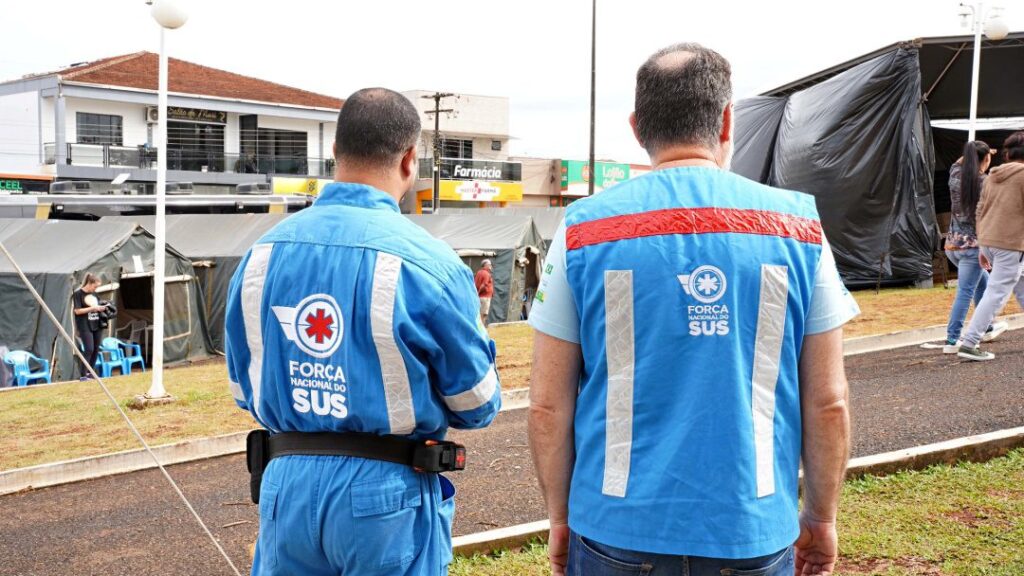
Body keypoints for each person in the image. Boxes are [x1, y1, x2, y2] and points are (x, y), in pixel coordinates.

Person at [528, 43, 860, 576]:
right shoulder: (798, 227)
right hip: (752, 532)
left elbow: (547, 404)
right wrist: (821, 516)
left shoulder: (583, 229)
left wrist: (560, 516)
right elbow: (829, 401)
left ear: (637, 127)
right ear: (728, 120)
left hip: (613, 531)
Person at [225, 88, 501, 575]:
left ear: (334, 152)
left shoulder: (259, 257)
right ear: (410, 159)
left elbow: (245, 389)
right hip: (387, 495)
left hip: (283, 484)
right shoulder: (429, 264)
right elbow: (476, 404)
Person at [958, 131, 1024, 361]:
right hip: (1011, 244)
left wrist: (983, 245)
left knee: (1021, 286)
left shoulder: (992, 176)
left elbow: (979, 211)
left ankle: (969, 340)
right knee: (996, 294)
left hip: (990, 242)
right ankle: (970, 342)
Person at [939, 141, 1006, 353]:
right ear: (984, 160)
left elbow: (960, 161)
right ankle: (952, 339)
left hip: (952, 246)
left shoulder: (955, 175)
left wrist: (978, 151)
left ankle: (986, 328)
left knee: (981, 285)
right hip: (973, 248)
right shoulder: (985, 181)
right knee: (966, 291)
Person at [73, 273, 107, 379]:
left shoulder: (94, 294)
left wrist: (104, 307)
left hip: (96, 324)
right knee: (89, 349)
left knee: (96, 348)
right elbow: (77, 311)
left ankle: (90, 372)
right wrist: (92, 308)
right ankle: (83, 374)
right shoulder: (78, 294)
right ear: (90, 283)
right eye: (95, 286)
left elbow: (97, 305)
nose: (96, 289)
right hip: (85, 325)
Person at [475, 259, 494, 326]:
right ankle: (481, 329)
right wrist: (478, 293)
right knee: (483, 314)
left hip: (480, 297)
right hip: (485, 297)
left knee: (479, 313)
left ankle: (479, 327)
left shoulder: (479, 272)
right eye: (489, 264)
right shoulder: (486, 273)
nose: (490, 266)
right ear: (485, 265)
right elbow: (484, 284)